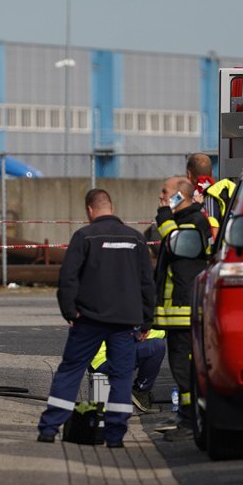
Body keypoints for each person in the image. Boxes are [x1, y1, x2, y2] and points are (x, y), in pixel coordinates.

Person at [34, 188, 156, 448]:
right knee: (121, 377)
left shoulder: (84, 236)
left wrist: (70, 311)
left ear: (90, 210)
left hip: (89, 319)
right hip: (125, 321)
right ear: (111, 207)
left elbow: (68, 278)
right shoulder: (135, 239)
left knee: (71, 370)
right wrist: (147, 321)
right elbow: (147, 283)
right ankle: (115, 437)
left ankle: (49, 428)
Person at [154, 176, 215, 437]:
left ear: (180, 195)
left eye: (165, 192)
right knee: (181, 367)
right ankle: (186, 417)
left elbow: (178, 245)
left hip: (185, 309)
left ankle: (191, 421)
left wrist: (164, 215)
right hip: (177, 310)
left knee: (183, 367)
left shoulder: (193, 222)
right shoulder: (184, 221)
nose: (161, 197)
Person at [187, 151, 237, 228]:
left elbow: (213, 229)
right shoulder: (223, 191)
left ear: (189, 174)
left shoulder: (207, 196)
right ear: (212, 173)